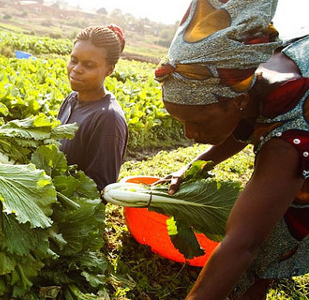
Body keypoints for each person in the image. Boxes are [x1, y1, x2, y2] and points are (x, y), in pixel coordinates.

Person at [154, 0, 309, 298]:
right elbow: (246, 123)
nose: (189, 134)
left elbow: (243, 244)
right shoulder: (245, 78)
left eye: (198, 122)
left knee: (265, 242)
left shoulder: (286, 140)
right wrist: (196, 165)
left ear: (237, 102)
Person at [57, 25, 129, 192]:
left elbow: (99, 191)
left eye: (88, 65)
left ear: (109, 70)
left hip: (69, 215)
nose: (76, 69)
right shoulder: (71, 99)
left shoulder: (108, 118)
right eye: (73, 60)